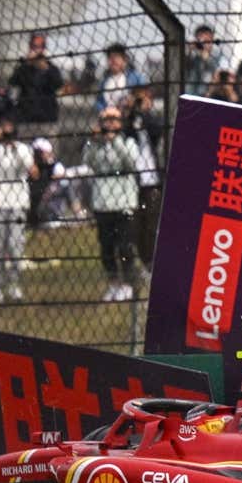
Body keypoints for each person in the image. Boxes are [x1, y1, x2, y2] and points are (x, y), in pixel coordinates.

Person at [81, 106, 141, 302]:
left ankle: (128, 284)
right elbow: (87, 162)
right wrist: (92, 140)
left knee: (125, 246)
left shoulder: (129, 142)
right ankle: (114, 283)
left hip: (124, 201)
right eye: (106, 119)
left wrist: (115, 141)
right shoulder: (96, 146)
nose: (110, 123)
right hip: (103, 202)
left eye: (114, 119)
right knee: (106, 247)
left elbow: (130, 163)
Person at [0, 116, 39, 303]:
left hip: (17, 202)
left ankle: (14, 285)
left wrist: (14, 149)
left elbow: (30, 169)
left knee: (15, 246)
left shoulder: (23, 148)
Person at [125, 84, 163, 266]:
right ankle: (141, 260)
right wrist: (133, 112)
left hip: (152, 178)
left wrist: (144, 113)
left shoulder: (152, 119)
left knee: (151, 222)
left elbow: (157, 131)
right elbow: (127, 133)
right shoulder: (129, 121)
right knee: (136, 224)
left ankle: (150, 261)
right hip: (134, 179)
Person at [9, 32, 64, 141]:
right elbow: (13, 82)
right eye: (34, 47)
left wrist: (45, 69)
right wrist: (26, 64)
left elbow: (58, 84)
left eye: (40, 47)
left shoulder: (51, 68)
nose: (37, 50)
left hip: (47, 120)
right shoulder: (24, 68)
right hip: (27, 120)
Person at [95, 43, 146, 112]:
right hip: (110, 117)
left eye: (116, 56)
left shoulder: (135, 77)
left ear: (125, 60)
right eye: (110, 57)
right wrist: (104, 111)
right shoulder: (104, 82)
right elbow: (99, 103)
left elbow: (143, 95)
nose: (113, 60)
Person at [185, 24, 223, 96]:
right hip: (193, 93)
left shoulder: (218, 55)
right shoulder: (195, 56)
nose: (204, 43)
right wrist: (190, 50)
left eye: (207, 39)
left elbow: (216, 72)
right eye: (201, 38)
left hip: (212, 95)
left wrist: (205, 56)